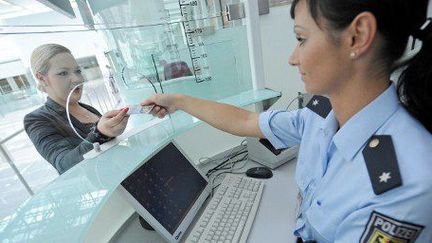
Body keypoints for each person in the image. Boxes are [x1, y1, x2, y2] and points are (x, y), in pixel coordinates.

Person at [141, 0, 432, 242]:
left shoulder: (407, 183)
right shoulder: (321, 117)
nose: (293, 58)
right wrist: (178, 101)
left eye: (302, 39)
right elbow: (245, 120)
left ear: (358, 36)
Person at [24, 44, 129, 175]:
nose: (77, 79)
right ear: (41, 78)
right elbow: (63, 164)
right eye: (63, 73)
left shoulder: (88, 108)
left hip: (126, 173)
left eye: (78, 71)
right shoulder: (38, 119)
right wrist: (100, 134)